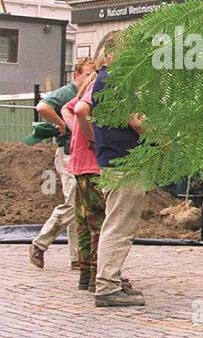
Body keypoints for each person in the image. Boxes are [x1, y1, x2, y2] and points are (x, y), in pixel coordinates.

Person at [89, 60, 148, 308]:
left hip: (115, 163)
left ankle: (110, 277)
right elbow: (138, 121)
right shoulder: (113, 80)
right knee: (119, 226)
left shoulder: (103, 80)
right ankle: (107, 287)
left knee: (115, 223)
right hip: (123, 164)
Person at [28, 71, 87, 271]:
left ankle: (76, 257)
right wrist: (61, 124)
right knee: (74, 202)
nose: (90, 78)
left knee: (78, 206)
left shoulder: (85, 91)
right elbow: (42, 106)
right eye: (87, 74)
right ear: (77, 75)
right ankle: (40, 242)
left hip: (79, 154)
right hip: (69, 154)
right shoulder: (68, 92)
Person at [67, 60, 106, 291]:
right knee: (100, 221)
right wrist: (92, 139)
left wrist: (77, 134)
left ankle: (85, 273)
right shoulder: (96, 88)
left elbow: (69, 109)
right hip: (92, 166)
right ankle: (97, 275)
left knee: (83, 221)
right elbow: (79, 111)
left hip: (80, 165)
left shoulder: (84, 89)